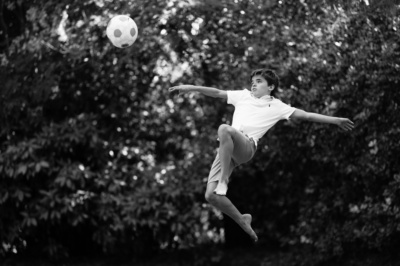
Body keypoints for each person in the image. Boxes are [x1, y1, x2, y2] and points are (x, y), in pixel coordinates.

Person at [168, 68, 354, 242]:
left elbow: (306, 115)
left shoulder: (277, 106)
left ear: (271, 87)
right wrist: (191, 88)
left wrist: (336, 120)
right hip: (226, 150)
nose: (253, 84)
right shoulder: (243, 96)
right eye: (252, 81)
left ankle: (224, 180)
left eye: (259, 81)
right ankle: (242, 220)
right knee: (211, 196)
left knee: (224, 128)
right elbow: (216, 92)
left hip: (246, 147)